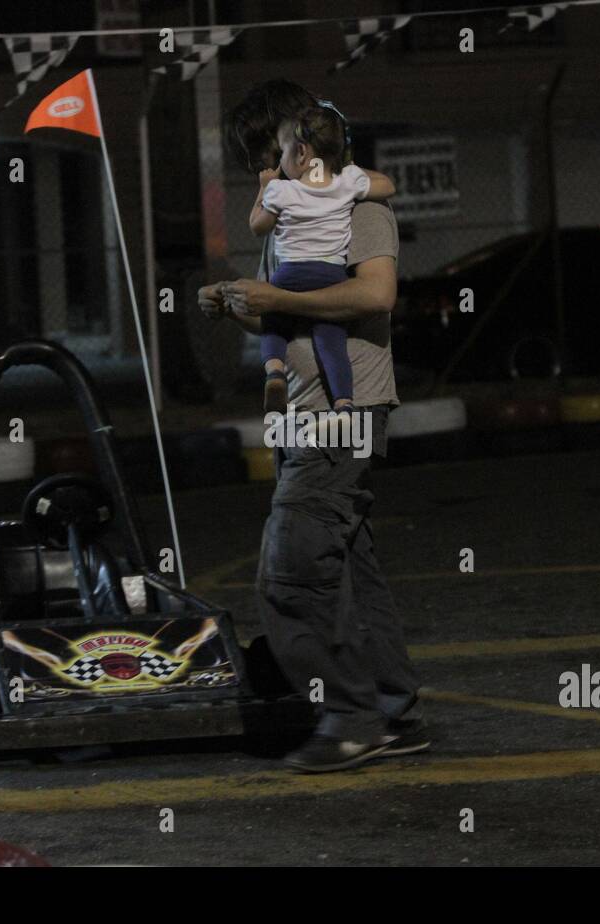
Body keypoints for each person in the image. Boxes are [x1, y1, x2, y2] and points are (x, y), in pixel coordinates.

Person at [199, 81, 427, 773]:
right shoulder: (296, 214)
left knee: (293, 569)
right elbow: (286, 314)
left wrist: (270, 293)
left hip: (343, 412)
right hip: (306, 410)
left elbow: (374, 293)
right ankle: (390, 710)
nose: (265, 177)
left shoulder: (357, 203)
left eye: (270, 158)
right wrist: (239, 303)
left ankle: (349, 718)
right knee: (349, 571)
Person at [249, 105, 395, 416]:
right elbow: (388, 185)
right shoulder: (349, 182)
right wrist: (348, 174)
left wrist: (263, 190)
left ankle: (274, 373)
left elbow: (257, 226)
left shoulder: (281, 190)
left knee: (273, 321)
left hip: (290, 273)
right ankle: (343, 402)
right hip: (329, 273)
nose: (280, 160)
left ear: (301, 153)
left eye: (283, 151)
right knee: (331, 341)